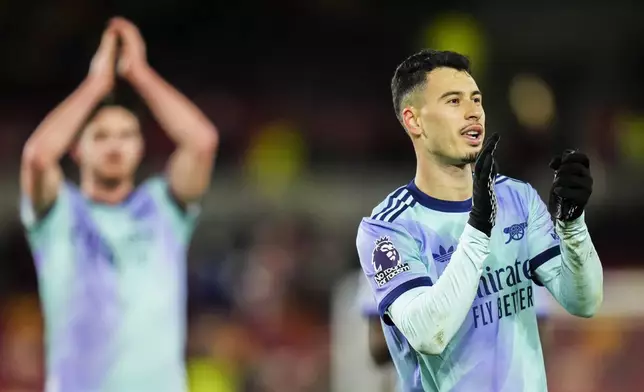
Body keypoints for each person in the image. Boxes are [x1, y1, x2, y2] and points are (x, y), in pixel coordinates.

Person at [355, 49, 603, 392]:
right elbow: (429, 335)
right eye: (453, 101)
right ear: (414, 121)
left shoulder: (518, 199)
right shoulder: (388, 228)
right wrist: (479, 227)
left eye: (476, 99)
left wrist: (573, 226)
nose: (473, 112)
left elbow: (585, 301)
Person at [20, 17, 218, 392]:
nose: (115, 145)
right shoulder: (58, 214)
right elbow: (37, 157)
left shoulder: (163, 208)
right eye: (101, 135)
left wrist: (140, 73)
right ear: (77, 149)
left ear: (141, 147)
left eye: (127, 135)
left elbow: (202, 142)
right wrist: (96, 86)